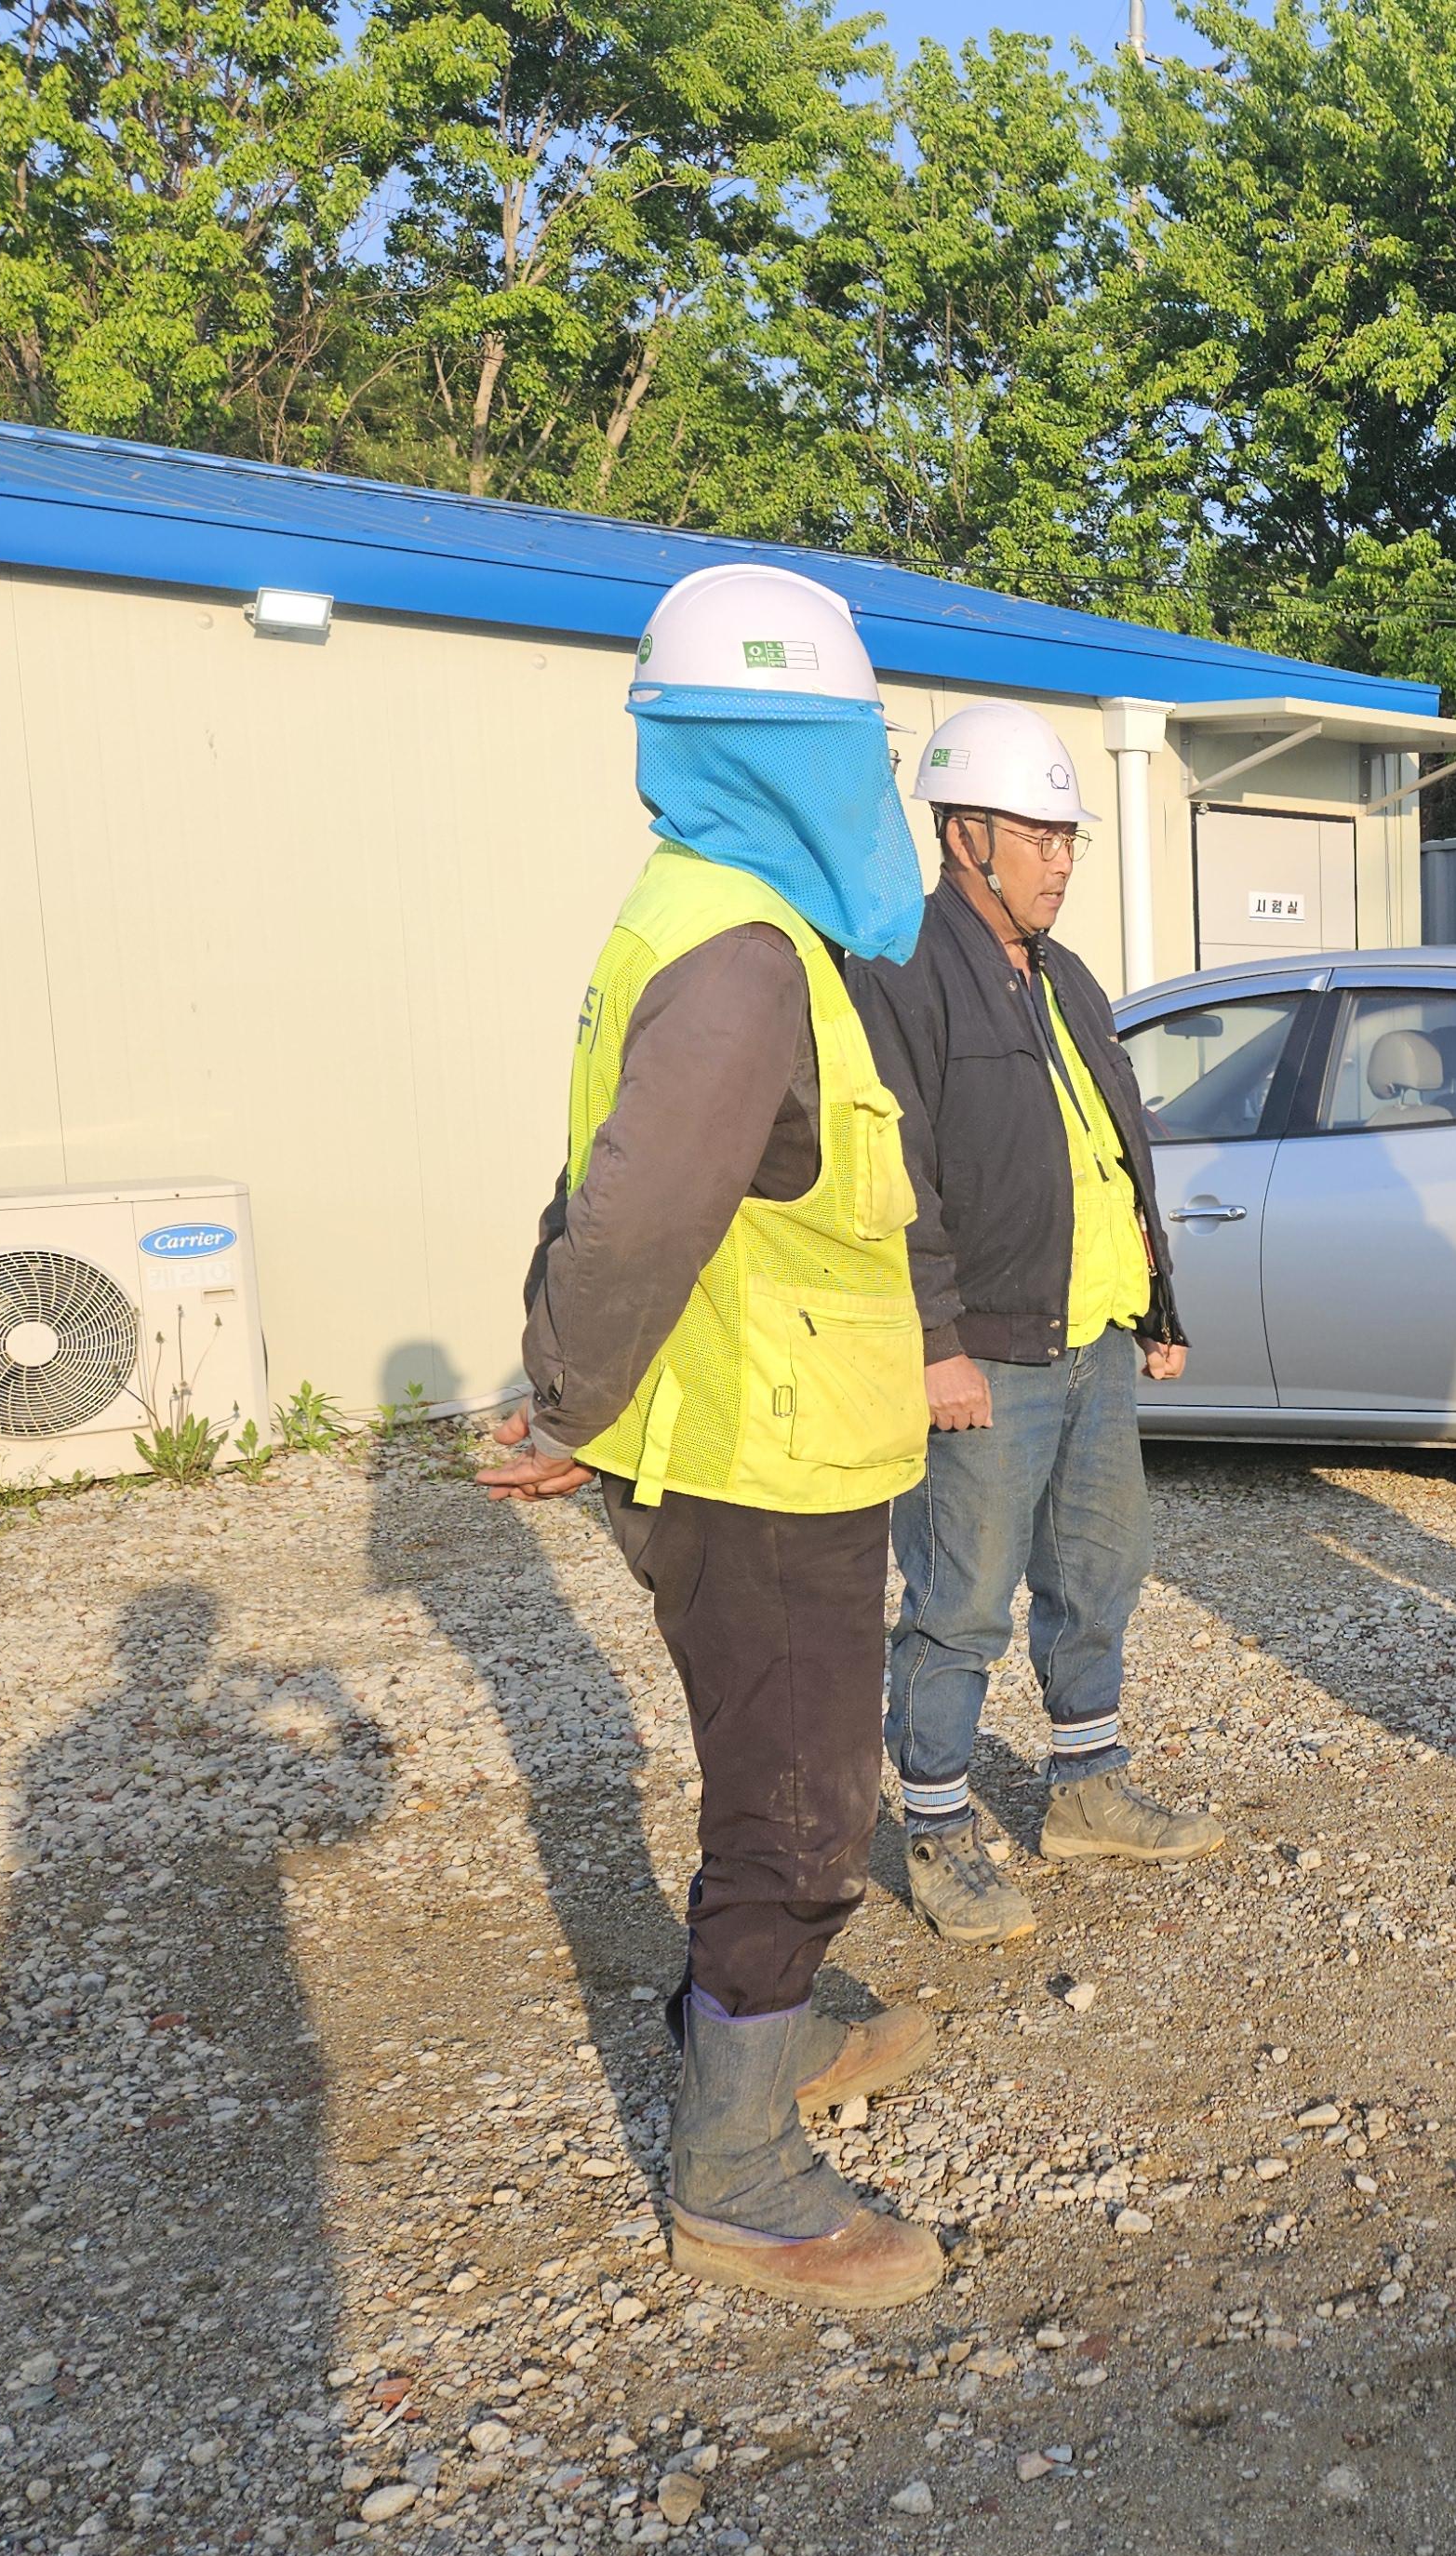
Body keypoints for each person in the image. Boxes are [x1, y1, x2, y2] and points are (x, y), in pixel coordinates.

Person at [478, 562, 948, 2311]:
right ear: (784, 755)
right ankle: (737, 2171)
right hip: (758, 1459)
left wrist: (570, 1392)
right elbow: (632, 1220)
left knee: (777, 1764)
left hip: (767, 1440)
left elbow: (599, 1183)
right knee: (803, 1806)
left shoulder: (706, 919)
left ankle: (771, 2026)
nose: (873, 787)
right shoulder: (743, 956)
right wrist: (569, 1403)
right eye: (857, 751)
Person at [850, 701, 1220, 1931]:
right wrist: (933, 1344)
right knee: (959, 1602)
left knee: (1099, 1572)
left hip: (1092, 1338)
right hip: (985, 1352)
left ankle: (1086, 1788)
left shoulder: (1066, 978)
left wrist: (1157, 1304)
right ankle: (938, 1830)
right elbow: (896, 1175)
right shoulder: (902, 970)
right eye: (1039, 836)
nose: (1062, 861)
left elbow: (1114, 1153)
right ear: (964, 834)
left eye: (1070, 838)